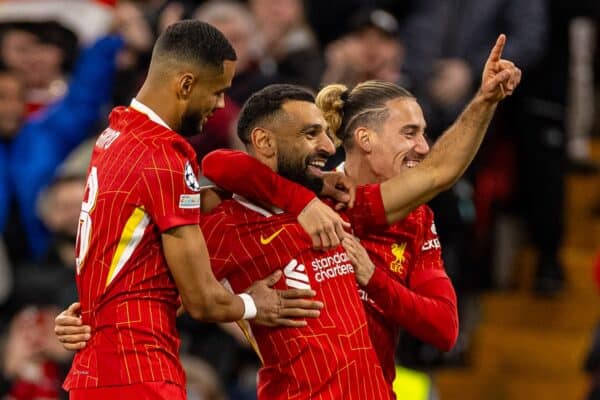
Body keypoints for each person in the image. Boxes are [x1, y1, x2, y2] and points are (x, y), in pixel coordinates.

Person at [56, 34, 520, 397]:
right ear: (265, 143)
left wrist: (483, 101)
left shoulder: (344, 207)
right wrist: (89, 318)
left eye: (325, 133)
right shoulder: (228, 223)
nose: (325, 144)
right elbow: (213, 176)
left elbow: (439, 174)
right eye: (311, 133)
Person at [60, 20, 327, 400]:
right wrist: (254, 304)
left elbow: (127, 248)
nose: (219, 106)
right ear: (186, 84)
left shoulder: (114, 135)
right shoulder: (162, 158)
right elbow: (202, 298)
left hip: (98, 371)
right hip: (139, 372)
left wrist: (90, 311)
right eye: (217, 92)